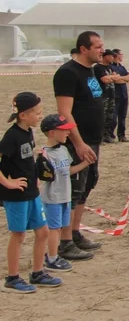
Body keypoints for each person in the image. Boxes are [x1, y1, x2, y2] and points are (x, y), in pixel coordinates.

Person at [1, 92, 63, 293]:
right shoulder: (11, 136)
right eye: (37, 113)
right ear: (23, 115)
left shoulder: (28, 132)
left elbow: (23, 159)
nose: (40, 116)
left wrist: (36, 172)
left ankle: (37, 272)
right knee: (18, 235)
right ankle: (12, 277)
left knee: (43, 231)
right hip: (16, 195)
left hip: (32, 192)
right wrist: (8, 183)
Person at [53, 31, 105, 258]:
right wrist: (79, 143)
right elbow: (64, 113)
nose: (101, 50)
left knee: (87, 185)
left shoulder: (90, 70)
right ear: (83, 49)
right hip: (78, 142)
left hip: (93, 140)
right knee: (72, 190)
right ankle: (64, 242)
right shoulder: (67, 73)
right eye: (97, 47)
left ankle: (74, 232)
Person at [39, 114, 92, 272]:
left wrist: (85, 163)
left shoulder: (63, 150)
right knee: (54, 228)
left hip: (65, 196)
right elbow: (43, 176)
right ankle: (52, 258)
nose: (68, 133)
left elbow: (68, 171)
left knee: (61, 226)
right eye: (63, 130)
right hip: (53, 197)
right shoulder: (44, 154)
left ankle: (54, 255)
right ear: (52, 133)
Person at [94, 49, 117, 143]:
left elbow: (119, 78)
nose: (113, 58)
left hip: (111, 94)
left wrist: (113, 77)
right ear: (106, 56)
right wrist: (113, 77)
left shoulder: (110, 67)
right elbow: (105, 80)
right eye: (111, 56)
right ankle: (99, 136)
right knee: (101, 116)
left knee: (109, 116)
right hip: (102, 95)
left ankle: (106, 135)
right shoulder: (98, 67)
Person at [110, 49, 129, 142]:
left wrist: (120, 78)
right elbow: (115, 80)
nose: (122, 56)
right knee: (113, 117)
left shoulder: (122, 67)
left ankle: (121, 135)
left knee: (122, 117)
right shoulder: (110, 67)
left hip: (124, 94)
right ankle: (110, 135)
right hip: (115, 95)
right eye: (121, 54)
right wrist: (122, 79)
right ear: (116, 55)